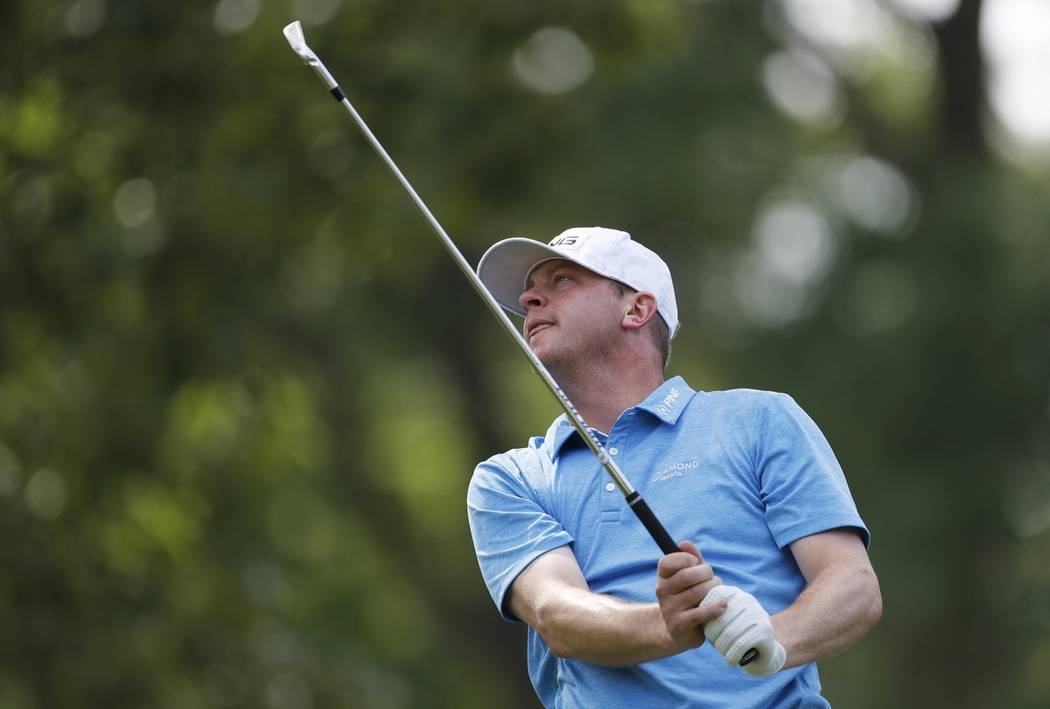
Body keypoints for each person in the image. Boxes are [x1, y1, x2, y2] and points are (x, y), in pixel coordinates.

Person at [466, 226, 881, 708]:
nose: (530, 299)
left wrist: (771, 638)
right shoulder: (510, 478)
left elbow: (853, 585)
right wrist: (666, 625)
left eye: (561, 280)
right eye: (529, 292)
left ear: (637, 309)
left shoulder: (759, 420)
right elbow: (557, 613)